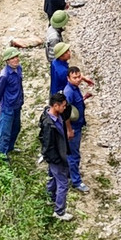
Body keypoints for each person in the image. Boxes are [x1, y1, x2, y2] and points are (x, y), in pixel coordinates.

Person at [39, 91, 73, 221]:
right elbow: (48, 146)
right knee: (63, 183)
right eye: (63, 105)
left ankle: (50, 198)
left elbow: (68, 109)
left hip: (58, 154)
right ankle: (59, 212)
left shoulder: (55, 115)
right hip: (56, 157)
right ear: (56, 106)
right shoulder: (49, 124)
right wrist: (57, 160)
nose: (65, 108)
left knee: (53, 178)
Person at [63, 64, 91, 191]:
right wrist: (69, 130)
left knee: (73, 153)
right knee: (74, 155)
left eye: (79, 76)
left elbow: (76, 105)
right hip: (73, 128)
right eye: (75, 77)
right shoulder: (68, 92)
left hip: (78, 125)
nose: (78, 79)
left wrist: (84, 97)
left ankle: (69, 174)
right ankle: (76, 181)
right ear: (68, 78)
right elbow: (66, 113)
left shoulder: (75, 88)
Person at [0, 51, 24, 157]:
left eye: (16, 57)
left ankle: (10, 148)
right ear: (7, 61)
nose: (16, 60)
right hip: (7, 107)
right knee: (5, 132)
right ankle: (2, 155)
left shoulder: (19, 69)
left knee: (16, 128)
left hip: (17, 105)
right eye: (12, 58)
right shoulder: (4, 75)